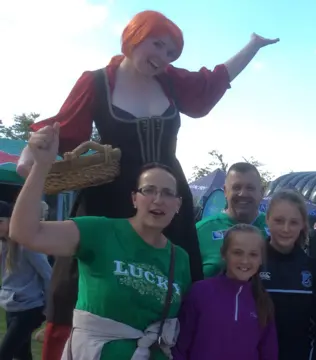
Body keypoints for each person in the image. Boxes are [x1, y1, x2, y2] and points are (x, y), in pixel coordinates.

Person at [18, 10, 278, 359]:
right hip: (111, 199)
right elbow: (63, 127)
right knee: (83, 282)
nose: (163, 57)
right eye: (158, 44)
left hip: (168, 199)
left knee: (174, 286)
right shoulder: (96, 82)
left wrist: (252, 46)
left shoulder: (170, 81)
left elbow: (211, 83)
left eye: (172, 53)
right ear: (134, 36)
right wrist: (31, 155)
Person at [10, 123, 192, 359]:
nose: (158, 200)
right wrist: (41, 166)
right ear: (135, 198)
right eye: (149, 190)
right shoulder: (99, 230)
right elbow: (25, 232)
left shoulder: (180, 258)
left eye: (168, 193)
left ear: (177, 205)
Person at [173, 224, 277, 360]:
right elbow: (180, 346)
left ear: (261, 259)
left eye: (253, 254)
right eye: (237, 252)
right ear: (223, 254)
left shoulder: (262, 301)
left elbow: (269, 352)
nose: (245, 260)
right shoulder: (200, 292)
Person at [260, 190, 316, 360]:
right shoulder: (252, 263)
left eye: (293, 222)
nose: (286, 229)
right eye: (279, 221)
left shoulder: (312, 269)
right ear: (267, 220)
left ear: (302, 225)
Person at [197, 162, 269, 278]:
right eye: (236, 187)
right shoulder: (201, 231)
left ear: (261, 192)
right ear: (225, 191)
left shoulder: (276, 229)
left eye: (250, 188)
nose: (243, 193)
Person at [0, 201, 51, 360]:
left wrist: (48, 309)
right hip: (11, 305)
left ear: (11, 220)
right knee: (21, 355)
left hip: (30, 308)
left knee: (5, 353)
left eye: (0, 221)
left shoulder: (26, 246)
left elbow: (48, 275)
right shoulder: (3, 245)